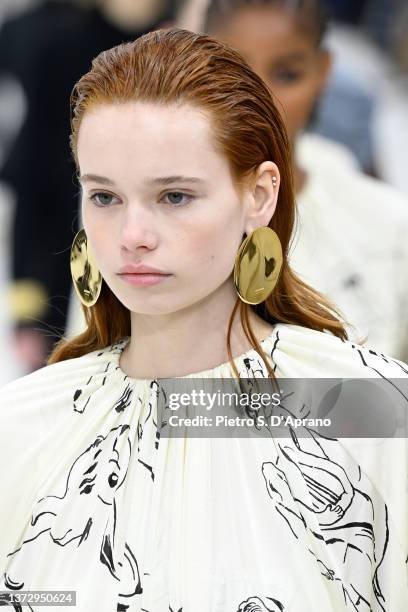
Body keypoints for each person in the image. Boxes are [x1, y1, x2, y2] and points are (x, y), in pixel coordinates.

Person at [0, 28, 407, 612]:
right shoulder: (22, 426)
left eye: (174, 197)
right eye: (105, 197)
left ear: (259, 196)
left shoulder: (371, 409)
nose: (132, 238)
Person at [204, 0, 408, 361]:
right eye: (234, 73)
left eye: (286, 74)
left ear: (323, 71)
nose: (260, 98)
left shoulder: (390, 225)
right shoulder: (139, 215)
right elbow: (94, 390)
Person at [0, 0, 181, 373]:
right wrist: (27, 307)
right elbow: (36, 187)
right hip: (74, 277)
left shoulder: (186, 45)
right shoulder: (59, 46)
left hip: (180, 286)